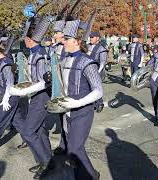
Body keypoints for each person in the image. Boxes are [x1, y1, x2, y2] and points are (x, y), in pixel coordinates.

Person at [54, 18, 103, 180]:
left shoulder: (87, 62)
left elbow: (98, 91)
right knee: (70, 146)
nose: (64, 41)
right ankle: (85, 174)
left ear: (77, 41)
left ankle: (91, 175)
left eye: (67, 39)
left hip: (82, 111)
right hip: (66, 109)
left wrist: (77, 102)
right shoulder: (64, 59)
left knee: (75, 148)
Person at [9, 16, 53, 179]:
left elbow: (44, 82)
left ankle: (46, 162)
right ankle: (48, 161)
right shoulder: (36, 52)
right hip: (36, 95)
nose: (24, 42)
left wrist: (23, 91)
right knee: (40, 131)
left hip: (41, 97)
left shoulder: (39, 55)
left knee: (28, 132)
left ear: (29, 39)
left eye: (24, 39)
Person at [87, 31, 108, 113]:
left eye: (92, 37)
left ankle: (99, 103)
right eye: (90, 37)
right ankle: (92, 104)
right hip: (88, 70)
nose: (91, 38)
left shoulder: (101, 49)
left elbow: (103, 62)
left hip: (97, 71)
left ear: (97, 38)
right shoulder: (87, 46)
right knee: (88, 88)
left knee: (95, 88)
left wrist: (98, 72)